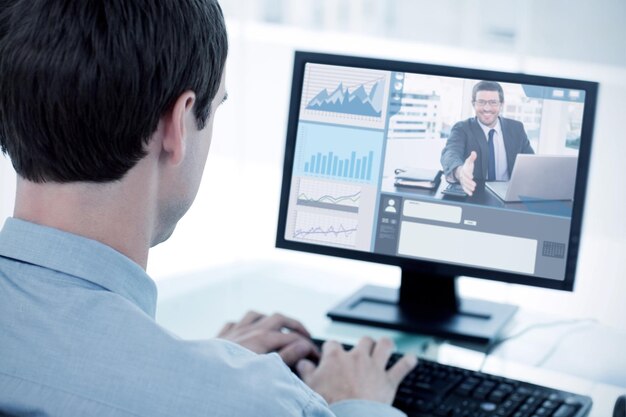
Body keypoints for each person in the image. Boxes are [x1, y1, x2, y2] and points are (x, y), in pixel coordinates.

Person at [0, 1, 416, 416]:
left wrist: (198, 368)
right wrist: (353, 402)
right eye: (216, 106)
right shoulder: (258, 404)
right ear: (177, 124)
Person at [440, 80, 534, 196]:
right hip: (475, 196)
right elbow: (450, 153)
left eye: (493, 102)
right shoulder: (462, 128)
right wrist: (460, 172)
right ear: (473, 104)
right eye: (481, 102)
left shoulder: (517, 129)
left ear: (501, 104)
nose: (487, 108)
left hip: (509, 197)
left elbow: (531, 163)